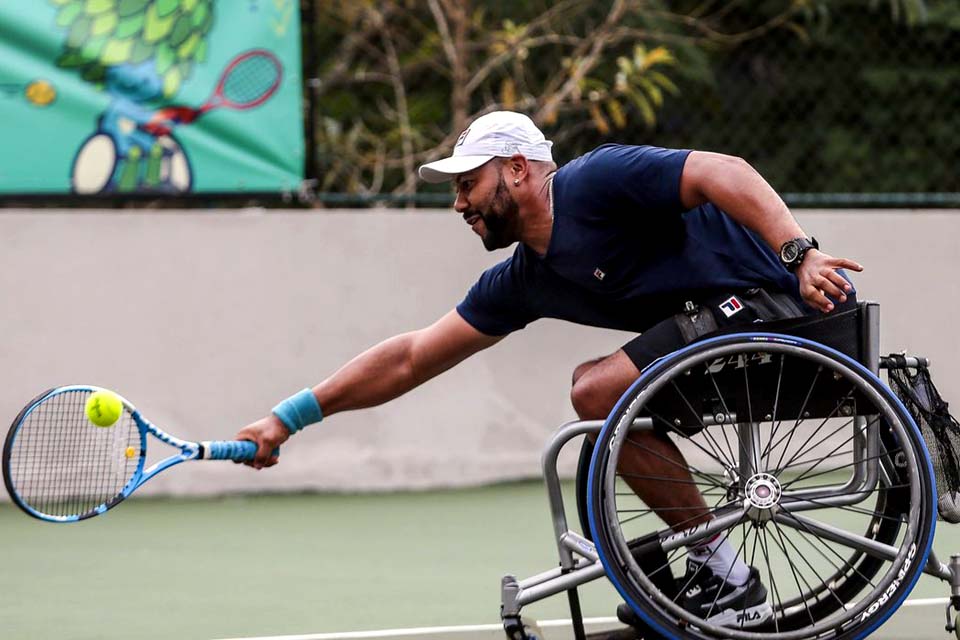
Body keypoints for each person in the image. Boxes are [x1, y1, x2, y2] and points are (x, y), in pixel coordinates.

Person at [235, 111, 862, 627]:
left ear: (517, 170)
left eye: (467, 184)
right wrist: (288, 418)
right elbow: (410, 357)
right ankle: (696, 572)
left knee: (595, 390)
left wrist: (800, 254)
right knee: (604, 410)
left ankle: (727, 577)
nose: (458, 204)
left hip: (781, 306)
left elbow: (722, 170)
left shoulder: (595, 181)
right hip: (718, 346)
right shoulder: (525, 280)